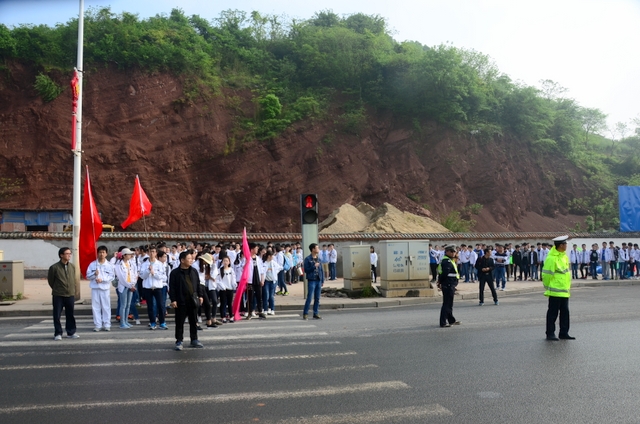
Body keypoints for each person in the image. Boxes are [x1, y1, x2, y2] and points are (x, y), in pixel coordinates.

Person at [169, 251, 206, 350]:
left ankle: (194, 339)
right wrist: (173, 300)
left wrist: (200, 295)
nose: (191, 260)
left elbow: (198, 284)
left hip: (193, 300)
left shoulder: (193, 271)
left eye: (191, 258)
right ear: (182, 260)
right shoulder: (175, 273)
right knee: (179, 322)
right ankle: (179, 341)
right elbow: (172, 288)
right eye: (189, 258)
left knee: (193, 321)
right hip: (180, 301)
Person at [543, 235, 574, 341]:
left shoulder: (564, 257)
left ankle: (564, 333)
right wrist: (548, 287)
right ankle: (550, 333)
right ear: (561, 245)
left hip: (564, 291)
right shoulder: (551, 258)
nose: (566, 246)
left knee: (565, 313)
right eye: (565, 244)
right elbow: (546, 275)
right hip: (555, 291)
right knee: (553, 313)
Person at [47, 247, 79, 340]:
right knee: (57, 315)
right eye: (67, 253)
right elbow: (51, 281)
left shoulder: (72, 266)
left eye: (70, 253)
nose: (69, 255)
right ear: (61, 255)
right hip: (58, 295)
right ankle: (58, 333)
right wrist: (57, 288)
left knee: (70, 314)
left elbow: (73, 279)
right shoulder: (54, 267)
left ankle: (71, 332)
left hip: (70, 294)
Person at [86, 245, 115, 332]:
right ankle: (98, 324)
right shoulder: (92, 264)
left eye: (103, 252)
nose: (101, 254)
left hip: (105, 288)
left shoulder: (109, 265)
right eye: (100, 252)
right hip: (95, 288)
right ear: (97, 253)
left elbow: (112, 276)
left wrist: (102, 280)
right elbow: (88, 276)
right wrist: (94, 274)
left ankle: (107, 324)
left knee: (106, 307)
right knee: (96, 307)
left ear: (106, 254)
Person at [140, 246, 168, 330]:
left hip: (157, 287)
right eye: (150, 252)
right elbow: (142, 276)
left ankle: (162, 322)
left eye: (153, 252)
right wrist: (148, 271)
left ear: (156, 253)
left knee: (160, 305)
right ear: (148, 253)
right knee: (150, 306)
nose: (152, 253)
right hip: (148, 287)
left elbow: (163, 276)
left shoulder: (160, 264)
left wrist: (154, 273)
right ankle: (152, 322)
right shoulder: (144, 264)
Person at [114, 248, 138, 329]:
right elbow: (121, 278)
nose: (130, 255)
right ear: (124, 255)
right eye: (129, 254)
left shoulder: (130, 263)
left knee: (128, 305)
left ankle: (126, 321)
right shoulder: (118, 265)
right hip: (123, 286)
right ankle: (122, 322)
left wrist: (133, 284)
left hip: (130, 286)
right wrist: (129, 286)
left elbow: (134, 274)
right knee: (123, 305)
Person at [438, 245, 460, 328]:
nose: (453, 253)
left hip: (450, 284)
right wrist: (440, 282)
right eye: (451, 251)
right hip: (448, 284)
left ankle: (451, 320)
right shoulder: (446, 261)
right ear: (447, 252)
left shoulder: (450, 260)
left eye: (454, 251)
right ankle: (443, 322)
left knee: (449, 303)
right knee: (447, 304)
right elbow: (444, 274)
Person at [303, 243, 324, 320]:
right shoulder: (308, 259)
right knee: (309, 297)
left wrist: (322, 280)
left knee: (317, 298)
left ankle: (316, 313)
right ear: (313, 249)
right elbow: (306, 270)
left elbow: (321, 270)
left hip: (318, 280)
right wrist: (313, 266)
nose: (318, 249)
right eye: (317, 248)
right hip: (312, 280)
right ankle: (305, 313)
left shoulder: (318, 259)